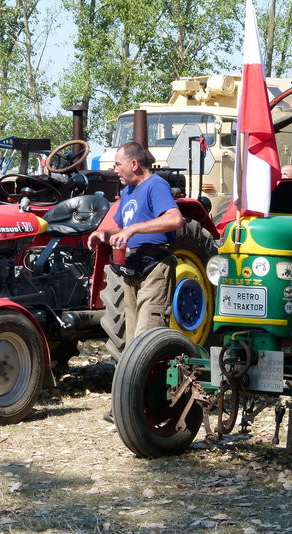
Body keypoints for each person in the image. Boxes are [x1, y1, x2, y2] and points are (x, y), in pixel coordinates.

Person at [89, 142, 183, 421]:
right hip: (130, 271)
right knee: (129, 345)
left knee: (146, 339)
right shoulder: (128, 192)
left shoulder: (156, 186)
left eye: (117, 164)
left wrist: (132, 230)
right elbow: (121, 225)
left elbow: (175, 219)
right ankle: (128, 406)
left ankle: (150, 410)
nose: (113, 170)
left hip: (155, 267)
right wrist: (103, 234)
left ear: (134, 164)